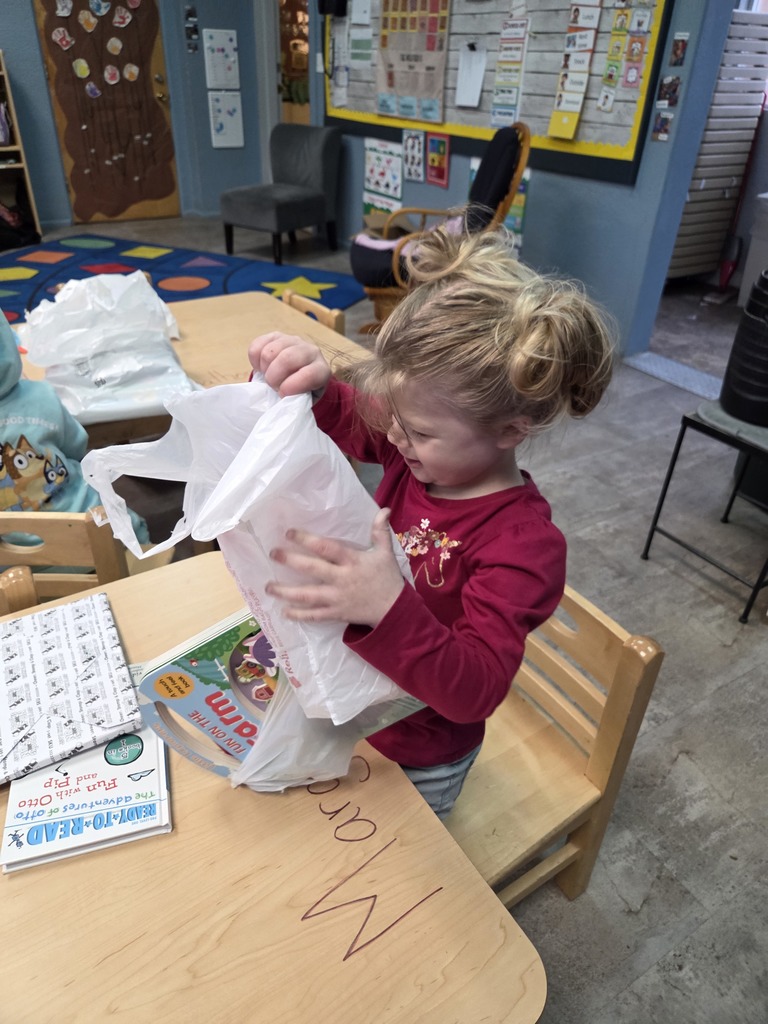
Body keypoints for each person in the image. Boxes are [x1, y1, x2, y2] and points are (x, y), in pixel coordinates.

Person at [248, 227, 614, 819]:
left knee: (400, 878)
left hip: (424, 753)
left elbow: (475, 692)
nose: (393, 438)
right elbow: (354, 418)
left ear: (510, 431)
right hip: (356, 714)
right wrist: (313, 387)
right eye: (395, 416)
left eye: (417, 431)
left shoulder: (522, 547)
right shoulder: (418, 452)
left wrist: (386, 606)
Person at [0, 313, 149, 542]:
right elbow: (77, 446)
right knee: (127, 524)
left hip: (18, 567)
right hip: (100, 536)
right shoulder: (41, 396)